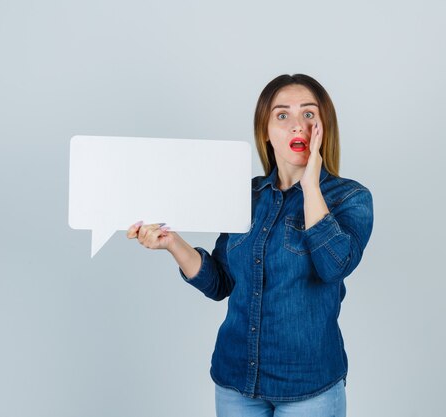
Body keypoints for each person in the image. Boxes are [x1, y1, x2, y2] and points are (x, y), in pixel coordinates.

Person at [126, 74, 374, 417]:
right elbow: (220, 283)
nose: (297, 125)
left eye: (309, 114)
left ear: (324, 126)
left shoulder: (350, 198)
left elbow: (333, 267)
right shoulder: (246, 196)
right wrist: (173, 243)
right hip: (236, 380)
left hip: (307, 387)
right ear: (266, 131)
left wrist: (311, 186)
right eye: (282, 115)